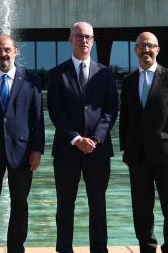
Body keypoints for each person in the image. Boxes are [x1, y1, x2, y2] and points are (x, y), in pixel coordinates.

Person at [47, 21, 119, 253]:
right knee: (65, 204)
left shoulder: (105, 73)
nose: (84, 40)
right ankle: (64, 248)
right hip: (67, 150)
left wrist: (95, 139)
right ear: (70, 40)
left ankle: (99, 249)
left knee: (98, 203)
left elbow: (111, 110)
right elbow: (55, 111)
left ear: (93, 41)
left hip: (98, 151)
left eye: (88, 36)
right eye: (79, 36)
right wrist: (77, 139)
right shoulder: (57, 74)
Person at [0, 34, 45, 253]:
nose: (3, 54)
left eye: (7, 50)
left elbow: (37, 120)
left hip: (22, 153)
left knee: (20, 205)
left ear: (15, 51)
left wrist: (37, 150)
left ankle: (16, 248)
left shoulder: (31, 80)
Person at [120, 32, 168, 253]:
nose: (146, 50)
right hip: (137, 155)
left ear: (158, 49)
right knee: (141, 206)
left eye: (150, 46)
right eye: (141, 46)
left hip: (167, 153)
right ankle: (146, 246)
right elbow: (126, 118)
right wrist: (125, 148)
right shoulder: (128, 81)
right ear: (135, 50)